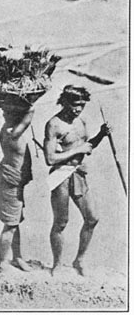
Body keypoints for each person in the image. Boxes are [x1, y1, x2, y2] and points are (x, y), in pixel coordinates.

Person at [43, 85, 111, 276]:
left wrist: (101, 135)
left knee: (92, 218)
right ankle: (57, 264)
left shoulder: (81, 121)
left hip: (79, 173)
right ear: (64, 102)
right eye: (75, 105)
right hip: (61, 175)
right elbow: (50, 158)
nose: (78, 109)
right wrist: (77, 151)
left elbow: (87, 147)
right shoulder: (54, 124)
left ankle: (79, 260)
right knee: (61, 223)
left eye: (82, 105)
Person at [0, 102, 35, 273]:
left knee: (15, 221)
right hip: (11, 181)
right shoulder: (13, 132)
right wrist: (31, 105)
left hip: (14, 181)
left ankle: (17, 257)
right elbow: (28, 119)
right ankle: (2, 262)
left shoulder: (7, 129)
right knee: (10, 223)